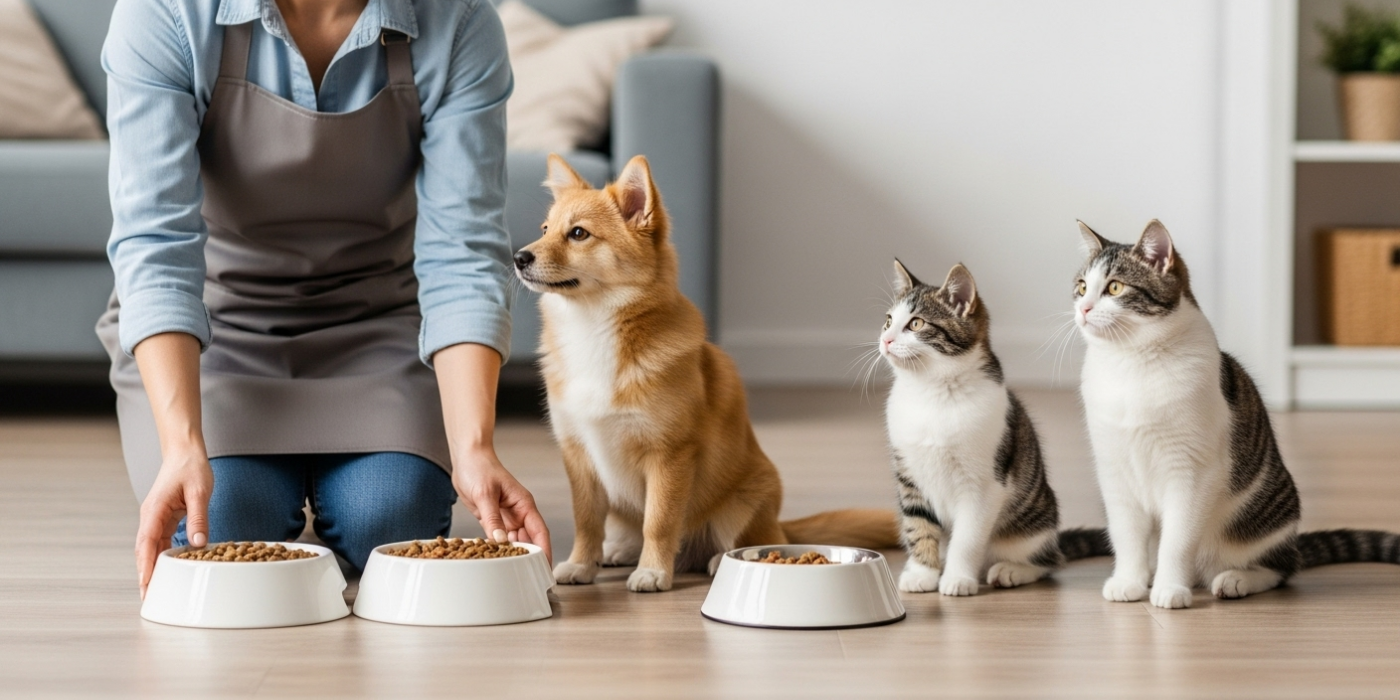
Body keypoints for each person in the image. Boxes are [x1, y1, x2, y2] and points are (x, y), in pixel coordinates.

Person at [94, 0, 549, 597]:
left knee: (391, 517)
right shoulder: (165, 13)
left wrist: (474, 447)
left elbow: (463, 249)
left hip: (379, 326)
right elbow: (156, 242)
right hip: (213, 330)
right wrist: (181, 445)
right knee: (228, 523)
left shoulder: (460, 22)